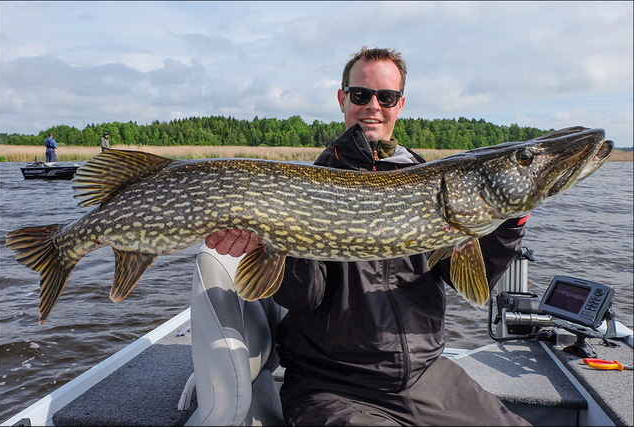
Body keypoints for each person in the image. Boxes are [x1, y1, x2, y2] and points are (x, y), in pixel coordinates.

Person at [205, 47, 530, 426]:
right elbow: (303, 297)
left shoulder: (432, 182)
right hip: (331, 387)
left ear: (400, 104)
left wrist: (510, 221)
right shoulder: (310, 183)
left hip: (429, 379)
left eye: (386, 97)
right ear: (343, 99)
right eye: (361, 95)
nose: (373, 105)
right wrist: (269, 241)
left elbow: (465, 282)